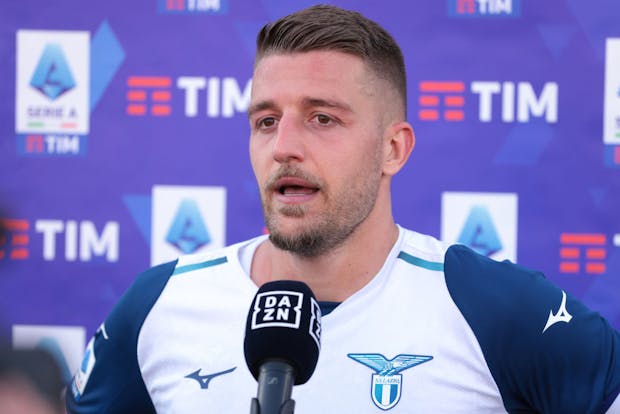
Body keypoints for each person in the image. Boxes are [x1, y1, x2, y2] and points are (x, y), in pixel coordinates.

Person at [66, 4, 620, 413]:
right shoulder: (160, 306)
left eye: (322, 118)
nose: (283, 145)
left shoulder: (494, 309)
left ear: (393, 148)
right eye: (266, 120)